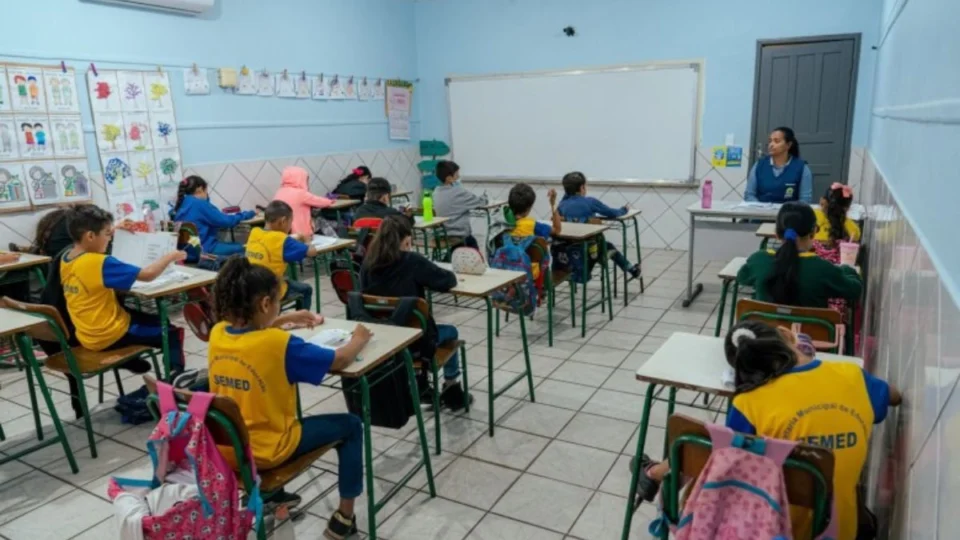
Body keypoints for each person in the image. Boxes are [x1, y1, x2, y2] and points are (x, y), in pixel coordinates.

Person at [633, 320, 900, 540]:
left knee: (710, 453)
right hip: (838, 529)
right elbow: (894, 397)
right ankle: (655, 473)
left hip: (764, 528)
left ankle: (655, 473)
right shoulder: (853, 377)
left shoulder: (749, 404)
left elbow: (723, 463)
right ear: (787, 334)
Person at [209, 256, 370, 539]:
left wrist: (284, 319)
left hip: (227, 449)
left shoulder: (218, 333)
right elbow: (341, 359)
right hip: (268, 450)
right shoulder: (278, 344)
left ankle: (274, 496)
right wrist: (360, 335)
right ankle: (345, 518)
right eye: (277, 302)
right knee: (351, 425)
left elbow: (251, 334)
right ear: (264, 305)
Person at [60, 205, 187, 373]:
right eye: (106, 234)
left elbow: (93, 248)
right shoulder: (99, 262)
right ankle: (174, 379)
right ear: (90, 236)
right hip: (110, 334)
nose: (109, 239)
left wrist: (114, 229)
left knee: (157, 319)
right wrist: (170, 255)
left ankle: (130, 360)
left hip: (87, 334)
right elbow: (147, 275)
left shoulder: (67, 257)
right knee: (171, 333)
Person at [359, 216, 469, 410]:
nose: (409, 247)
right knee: (451, 332)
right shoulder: (412, 261)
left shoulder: (368, 264)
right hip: (415, 342)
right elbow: (448, 280)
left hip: (383, 339)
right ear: (403, 242)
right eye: (407, 243)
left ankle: (422, 381)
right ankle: (452, 388)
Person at [737, 202, 862, 308]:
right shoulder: (822, 268)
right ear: (813, 232)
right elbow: (854, 289)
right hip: (810, 336)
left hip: (765, 334)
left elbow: (742, 277)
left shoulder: (759, 260)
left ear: (776, 233)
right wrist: (847, 269)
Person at [557, 171, 640, 278]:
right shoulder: (590, 202)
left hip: (570, 249)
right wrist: (623, 209)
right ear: (582, 187)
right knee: (608, 246)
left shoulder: (562, 205)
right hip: (591, 249)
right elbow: (613, 213)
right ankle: (632, 270)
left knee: (605, 246)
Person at [245, 201, 317, 312]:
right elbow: (311, 252)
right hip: (271, 290)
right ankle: (301, 322)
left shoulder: (254, 232)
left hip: (251, 288)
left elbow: (272, 241)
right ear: (283, 221)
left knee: (287, 280)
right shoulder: (282, 240)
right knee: (306, 289)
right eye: (290, 222)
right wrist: (307, 241)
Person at [172, 175, 256, 257]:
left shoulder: (181, 205)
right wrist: (247, 214)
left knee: (233, 245)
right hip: (205, 250)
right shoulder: (199, 204)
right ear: (201, 189)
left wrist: (206, 200)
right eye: (206, 191)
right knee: (244, 248)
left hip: (188, 253)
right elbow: (226, 221)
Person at [745, 127, 813, 203]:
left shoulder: (802, 168)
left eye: (776, 141)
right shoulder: (759, 165)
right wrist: (761, 209)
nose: (771, 145)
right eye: (770, 141)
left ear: (788, 145)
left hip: (789, 213)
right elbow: (749, 195)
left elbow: (805, 200)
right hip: (761, 212)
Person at [432, 160, 487, 249]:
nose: (459, 176)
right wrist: (485, 197)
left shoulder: (436, 192)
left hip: (442, 234)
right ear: (449, 178)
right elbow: (479, 202)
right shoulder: (458, 191)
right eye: (457, 174)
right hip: (459, 234)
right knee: (473, 243)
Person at [272, 166, 333, 240]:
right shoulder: (301, 193)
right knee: (321, 221)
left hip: (285, 235)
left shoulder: (279, 192)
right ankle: (339, 246)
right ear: (299, 179)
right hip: (301, 235)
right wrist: (330, 201)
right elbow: (322, 202)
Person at [815, 183, 860, 247]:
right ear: (847, 208)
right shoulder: (851, 228)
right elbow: (855, 238)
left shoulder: (814, 216)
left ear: (822, 201)